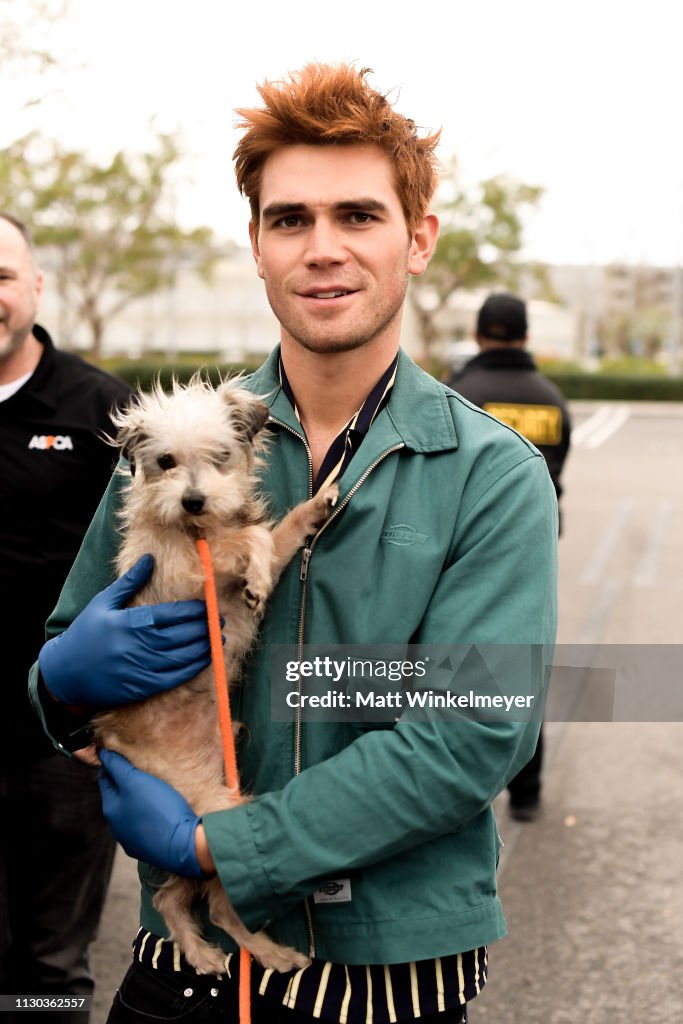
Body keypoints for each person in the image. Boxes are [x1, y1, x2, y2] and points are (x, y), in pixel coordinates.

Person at [29, 65, 558, 1023]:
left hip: (388, 975)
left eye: (358, 216)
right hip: (185, 970)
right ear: (257, 245)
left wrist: (216, 849)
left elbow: (470, 731)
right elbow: (65, 662)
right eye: (290, 220)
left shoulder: (490, 474)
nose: (323, 250)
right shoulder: (177, 443)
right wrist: (60, 679)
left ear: (419, 240)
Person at [0, 212, 131, 1021]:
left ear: (36, 287)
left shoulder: (99, 409)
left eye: (1, 277)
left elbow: (150, 568)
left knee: (47, 970)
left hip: (65, 734)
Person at [449, 292, 571, 822]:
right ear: (525, 337)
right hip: (532, 543)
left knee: (449, 668)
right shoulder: (552, 399)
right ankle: (526, 793)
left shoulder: (456, 395)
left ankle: (451, 788)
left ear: (479, 335)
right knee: (522, 663)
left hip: (458, 548)